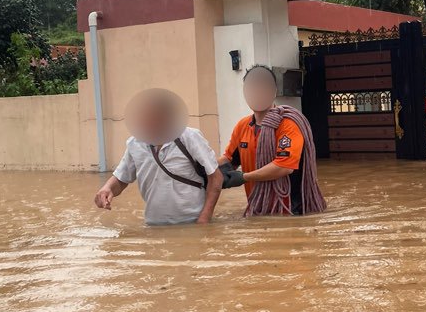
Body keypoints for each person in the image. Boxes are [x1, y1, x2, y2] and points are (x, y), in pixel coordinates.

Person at [94, 88, 223, 225]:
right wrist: (107, 189)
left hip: (192, 222)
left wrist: (204, 219)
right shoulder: (134, 143)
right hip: (154, 224)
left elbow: (216, 178)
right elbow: (121, 179)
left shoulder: (190, 137)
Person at [219, 65, 326, 216]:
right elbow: (229, 160)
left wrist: (244, 177)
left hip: (290, 211)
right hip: (259, 208)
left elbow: (284, 167)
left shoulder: (289, 124)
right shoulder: (242, 126)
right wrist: (204, 167)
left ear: (274, 91)